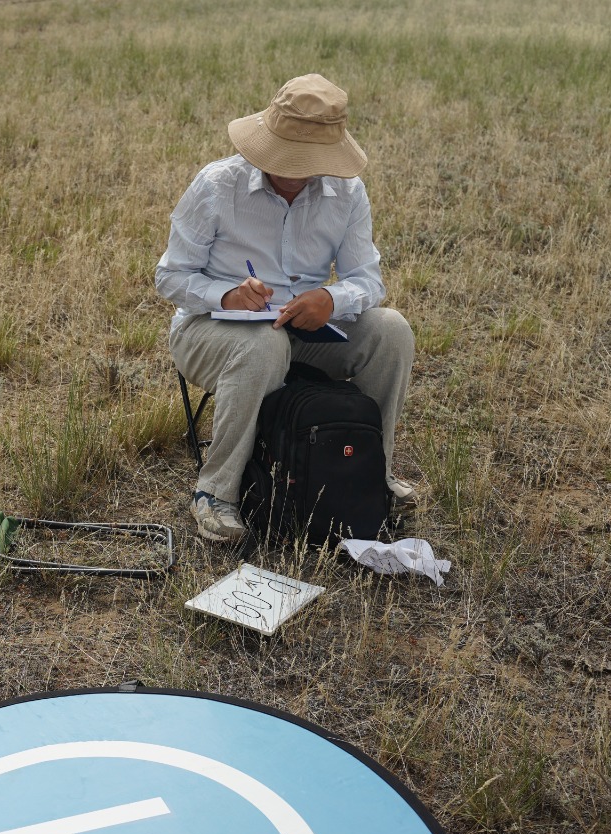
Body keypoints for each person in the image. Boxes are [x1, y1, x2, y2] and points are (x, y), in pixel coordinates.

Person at [156, 73, 417, 543]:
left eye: (306, 161)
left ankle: (373, 473)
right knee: (264, 344)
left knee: (392, 330)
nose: (292, 171)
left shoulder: (349, 192)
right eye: (283, 156)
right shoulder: (217, 185)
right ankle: (215, 494)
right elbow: (169, 277)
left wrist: (330, 299)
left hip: (305, 333)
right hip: (208, 332)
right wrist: (227, 295)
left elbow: (369, 280)